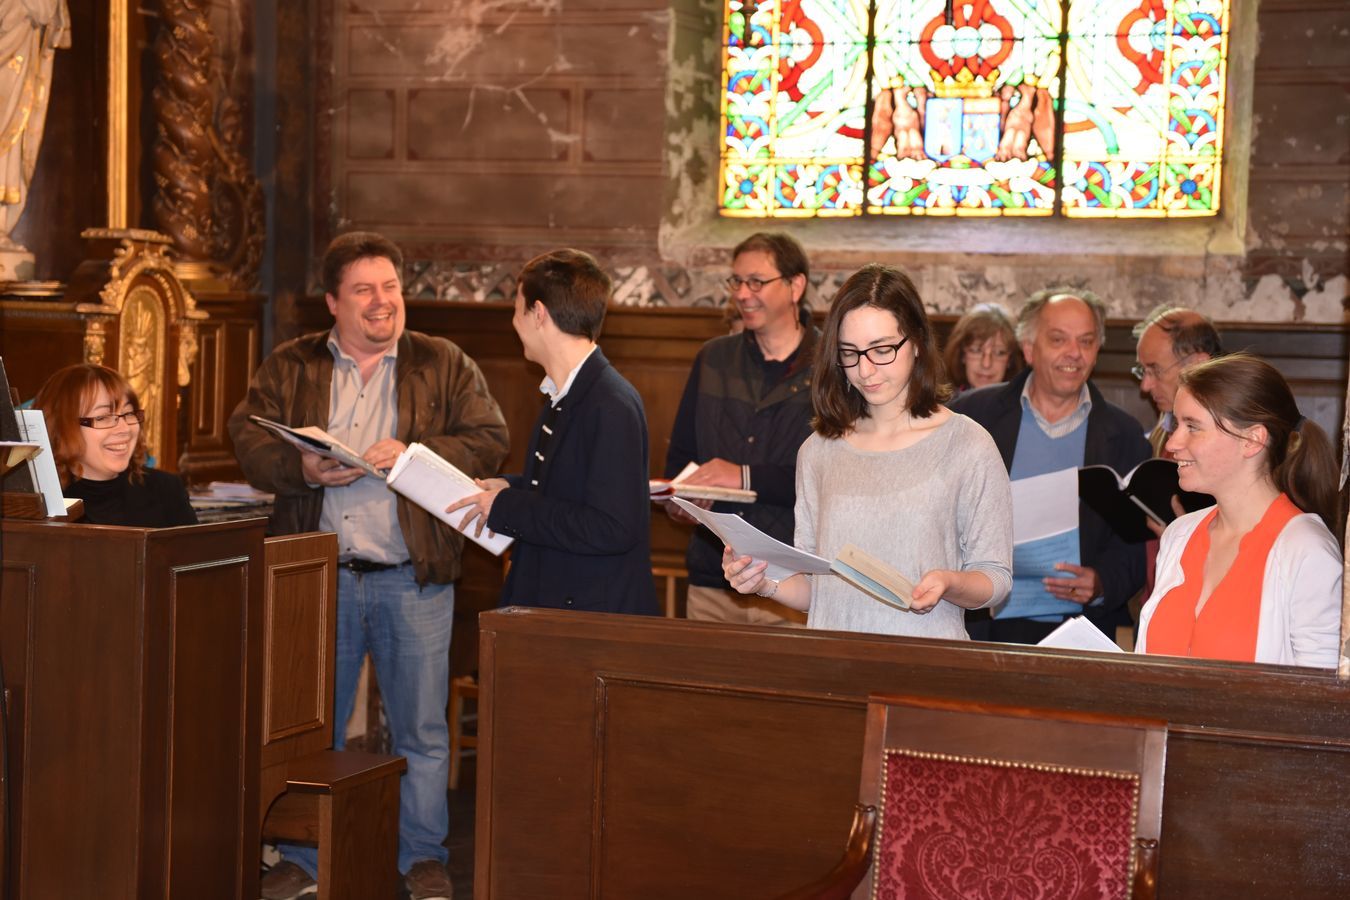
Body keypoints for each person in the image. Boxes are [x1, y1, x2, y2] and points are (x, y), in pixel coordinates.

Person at [229, 231, 508, 900]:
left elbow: (490, 439)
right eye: (364, 290)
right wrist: (301, 466)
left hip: (411, 577)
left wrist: (414, 450)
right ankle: (305, 855)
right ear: (333, 301)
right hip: (315, 579)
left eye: (389, 287)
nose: (382, 302)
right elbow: (246, 433)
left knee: (421, 729)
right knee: (308, 729)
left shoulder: (443, 362)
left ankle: (422, 857)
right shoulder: (292, 365)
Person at [722, 264, 1012, 638]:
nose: (865, 370)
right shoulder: (819, 450)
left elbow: (996, 577)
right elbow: (818, 589)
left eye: (882, 349)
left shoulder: (967, 443)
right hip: (835, 664)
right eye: (850, 353)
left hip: (925, 663)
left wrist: (949, 582)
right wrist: (762, 581)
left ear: (918, 342)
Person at [447, 249, 658, 615]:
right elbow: (571, 488)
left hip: (589, 614)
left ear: (539, 313)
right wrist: (512, 486)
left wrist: (508, 506)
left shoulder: (610, 403)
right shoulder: (570, 391)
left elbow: (612, 526)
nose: (514, 323)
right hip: (561, 598)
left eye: (517, 310)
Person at [950, 289, 1150, 644]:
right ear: (1028, 348)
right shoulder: (972, 416)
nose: (1074, 353)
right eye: (1058, 339)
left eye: (1086, 341)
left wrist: (1101, 580)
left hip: (1076, 633)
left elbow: (1137, 546)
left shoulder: (1125, 435)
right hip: (978, 624)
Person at [1135, 355, 1342, 668]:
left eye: (1192, 427)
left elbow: (1319, 698)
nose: (1174, 443)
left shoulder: (1305, 549)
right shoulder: (1179, 535)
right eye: (1177, 424)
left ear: (1251, 440)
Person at [663, 232, 820, 626]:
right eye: (736, 282)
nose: (743, 294)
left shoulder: (829, 368)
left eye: (757, 282)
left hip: (791, 580)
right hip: (713, 575)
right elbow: (681, 458)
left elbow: (832, 479)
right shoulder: (713, 358)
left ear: (795, 285)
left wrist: (743, 476)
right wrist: (681, 501)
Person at [33, 363, 196, 526]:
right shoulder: (39, 504)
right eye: (103, 417)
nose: (124, 428)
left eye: (129, 414)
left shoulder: (166, 490)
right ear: (62, 427)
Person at [1132, 305, 1223, 457]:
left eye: (1156, 371)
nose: (1145, 386)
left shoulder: (1229, 438)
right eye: (1143, 371)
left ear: (1198, 365)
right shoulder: (1162, 427)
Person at [942, 303, 1024, 394]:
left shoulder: (1022, 405)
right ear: (962, 355)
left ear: (1010, 360)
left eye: (999, 352)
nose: (986, 364)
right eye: (976, 350)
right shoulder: (943, 405)